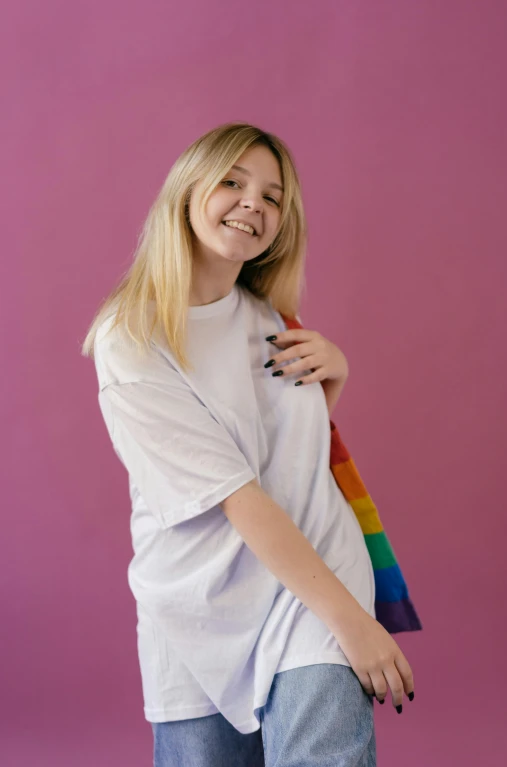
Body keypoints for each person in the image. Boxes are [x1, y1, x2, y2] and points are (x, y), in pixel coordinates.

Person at [81, 122, 415, 766]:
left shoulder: (271, 320)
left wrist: (335, 376)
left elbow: (288, 461)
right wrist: (355, 624)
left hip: (313, 577)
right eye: (232, 182)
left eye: (272, 196)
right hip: (203, 602)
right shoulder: (133, 338)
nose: (252, 204)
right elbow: (237, 496)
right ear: (186, 193)